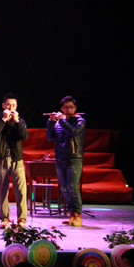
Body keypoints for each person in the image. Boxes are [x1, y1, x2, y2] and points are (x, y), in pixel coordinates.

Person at [0, 93, 29, 229]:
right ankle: (4, 218)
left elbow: (24, 135)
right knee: (2, 189)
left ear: (16, 107)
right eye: (8, 105)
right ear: (3, 105)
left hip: (16, 158)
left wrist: (16, 121)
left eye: (14, 105)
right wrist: (4, 120)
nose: (11, 108)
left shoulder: (20, 121)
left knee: (21, 190)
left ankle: (21, 219)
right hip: (1, 158)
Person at [46, 95, 86, 227]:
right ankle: (71, 214)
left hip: (74, 158)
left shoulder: (80, 121)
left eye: (71, 107)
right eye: (66, 107)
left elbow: (73, 132)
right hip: (60, 158)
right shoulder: (59, 122)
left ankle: (77, 214)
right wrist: (51, 122)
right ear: (62, 108)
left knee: (72, 187)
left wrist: (61, 120)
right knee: (64, 188)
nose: (69, 109)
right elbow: (49, 137)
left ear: (75, 108)